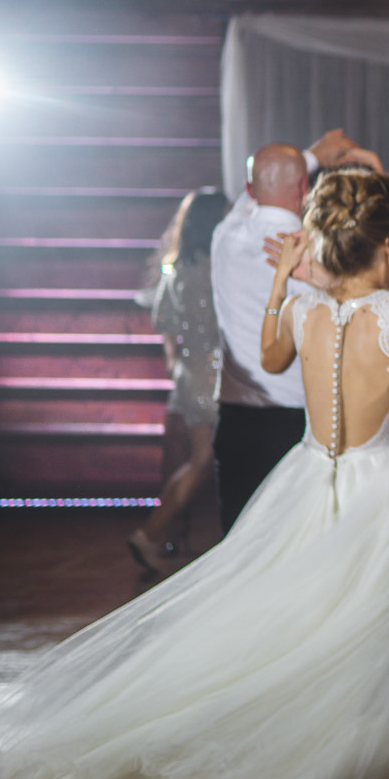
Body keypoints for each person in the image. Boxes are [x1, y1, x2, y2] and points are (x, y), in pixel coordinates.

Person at [0, 168, 389, 779]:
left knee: (300, 616)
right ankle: (354, 726)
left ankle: (317, 716)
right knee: (376, 622)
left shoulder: (303, 310)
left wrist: (286, 281)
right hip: (382, 486)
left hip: (305, 477)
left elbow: (269, 357)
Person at [210, 130, 366, 531]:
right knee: (296, 537)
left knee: (239, 535)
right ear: (303, 189)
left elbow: (249, 197)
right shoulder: (319, 254)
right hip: (300, 418)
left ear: (249, 188)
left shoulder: (225, 236)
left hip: (236, 416)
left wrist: (312, 155)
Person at [128, 186, 230, 574]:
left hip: (191, 370)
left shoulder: (176, 267)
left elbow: (163, 320)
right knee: (203, 461)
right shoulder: (218, 267)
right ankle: (151, 533)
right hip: (213, 371)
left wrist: (175, 357)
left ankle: (153, 532)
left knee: (196, 460)